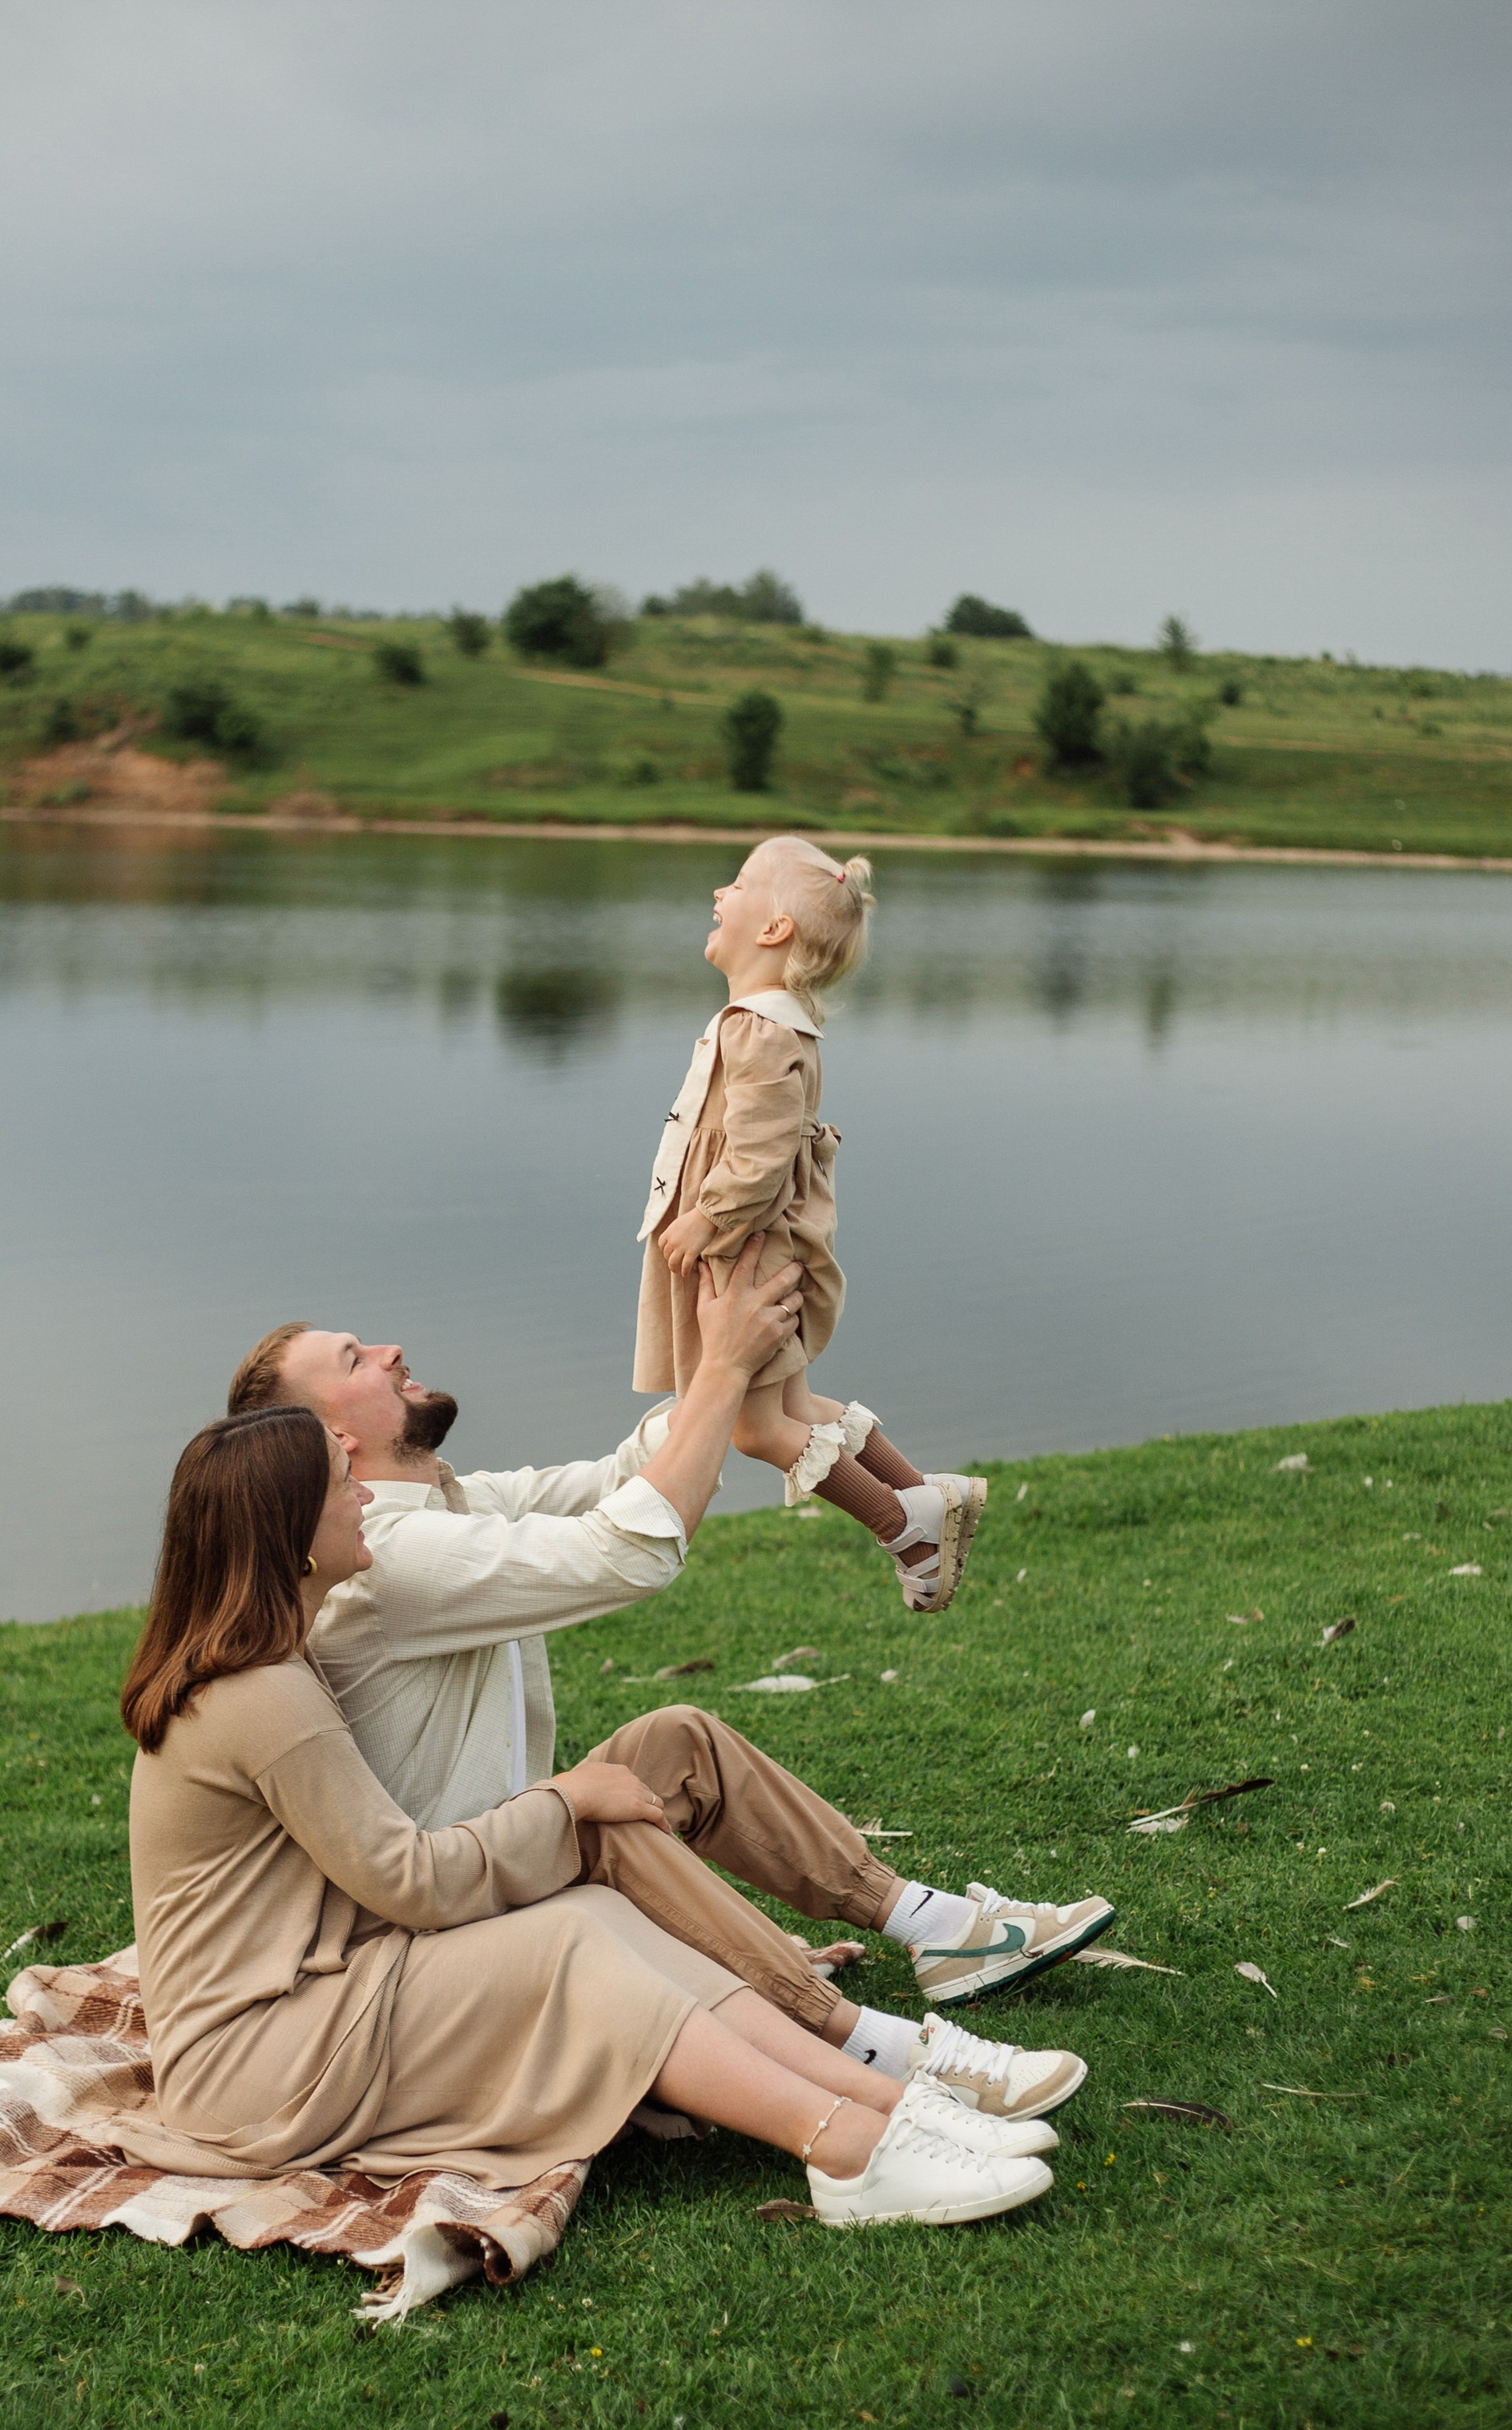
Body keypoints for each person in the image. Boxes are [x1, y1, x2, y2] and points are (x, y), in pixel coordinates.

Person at [118, 1404, 1062, 2228]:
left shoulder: (273, 1663)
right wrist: (565, 1799)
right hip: (255, 2060)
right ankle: (847, 2146)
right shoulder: (258, 1692)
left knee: (597, 1915)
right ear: (289, 1531)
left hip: (317, 1994)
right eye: (339, 1484)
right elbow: (409, 1878)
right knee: (568, 1944)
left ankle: (881, 2094)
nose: (365, 1495)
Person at [224, 1249, 1115, 2104]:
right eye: (357, 1358)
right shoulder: (392, 1554)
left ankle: (934, 1927)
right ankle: (859, 2045)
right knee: (604, 1821)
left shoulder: (442, 1502)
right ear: (335, 1433)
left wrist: (721, 1356)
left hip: (494, 1856)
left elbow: (622, 1479)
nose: (390, 1352)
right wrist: (724, 1373)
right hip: (445, 1911)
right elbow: (627, 1552)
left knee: (673, 1743)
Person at [638, 835, 981, 1613]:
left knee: (758, 1429)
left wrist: (707, 1216)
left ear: (773, 930)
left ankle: (908, 1530)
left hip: (744, 1246)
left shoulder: (758, 1029)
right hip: (764, 1236)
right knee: (794, 1410)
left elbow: (757, 1156)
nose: (719, 892)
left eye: (738, 884)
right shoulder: (768, 1021)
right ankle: (924, 1491)